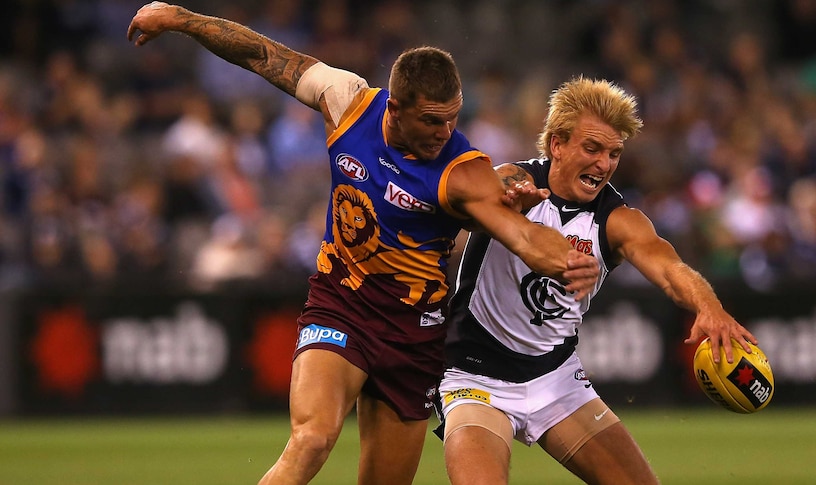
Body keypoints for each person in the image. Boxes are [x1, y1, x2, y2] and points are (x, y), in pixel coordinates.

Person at [127, 3, 600, 485]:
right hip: (342, 305)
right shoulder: (348, 101)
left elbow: (521, 235)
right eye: (433, 121)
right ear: (395, 108)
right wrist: (180, 19)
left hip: (413, 332)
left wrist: (571, 260)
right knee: (311, 438)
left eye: (453, 120)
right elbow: (261, 54)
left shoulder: (463, 171)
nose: (446, 133)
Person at [437, 76, 759, 485]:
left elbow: (670, 268)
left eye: (614, 153)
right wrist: (503, 203)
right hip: (475, 378)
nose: (604, 164)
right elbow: (473, 195)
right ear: (557, 144)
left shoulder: (617, 220)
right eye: (592, 148)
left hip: (555, 379)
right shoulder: (514, 181)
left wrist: (710, 309)